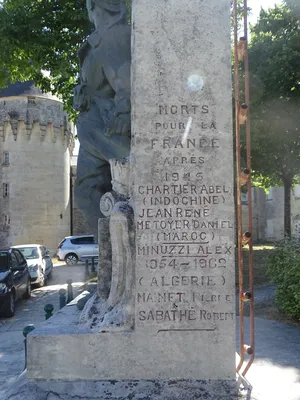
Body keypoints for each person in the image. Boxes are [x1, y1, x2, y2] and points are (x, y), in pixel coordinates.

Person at [74, 0, 131, 237]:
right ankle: (111, 252)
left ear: (93, 6)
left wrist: (125, 110)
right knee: (86, 193)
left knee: (129, 187)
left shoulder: (114, 35)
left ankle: (122, 246)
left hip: (108, 128)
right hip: (92, 131)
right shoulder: (95, 41)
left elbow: (125, 76)